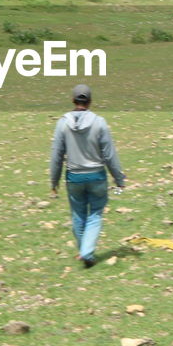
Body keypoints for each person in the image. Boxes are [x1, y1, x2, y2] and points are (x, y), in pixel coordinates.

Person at [49, 84, 125, 268]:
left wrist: (54, 180)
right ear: (90, 102)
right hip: (97, 176)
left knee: (78, 214)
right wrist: (119, 178)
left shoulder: (62, 123)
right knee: (96, 214)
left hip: (73, 177)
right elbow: (109, 154)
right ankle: (87, 252)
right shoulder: (99, 122)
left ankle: (83, 251)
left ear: (73, 100)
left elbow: (57, 155)